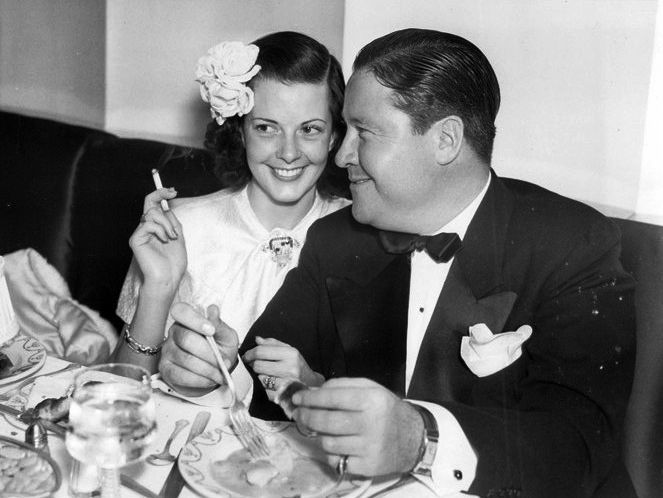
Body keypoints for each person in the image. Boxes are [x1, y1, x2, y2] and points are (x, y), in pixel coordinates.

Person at [159, 28, 636, 497]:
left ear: (445, 140)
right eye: (345, 130)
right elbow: (268, 380)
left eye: (364, 132)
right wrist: (226, 366)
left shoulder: (571, 244)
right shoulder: (336, 239)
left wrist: (421, 438)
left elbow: (577, 445)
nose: (341, 155)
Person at [113, 31, 350, 399]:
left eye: (309, 129)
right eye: (266, 128)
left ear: (333, 137)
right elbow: (118, 396)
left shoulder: (362, 238)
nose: (289, 152)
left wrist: (314, 387)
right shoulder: (183, 227)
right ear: (241, 132)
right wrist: (158, 288)